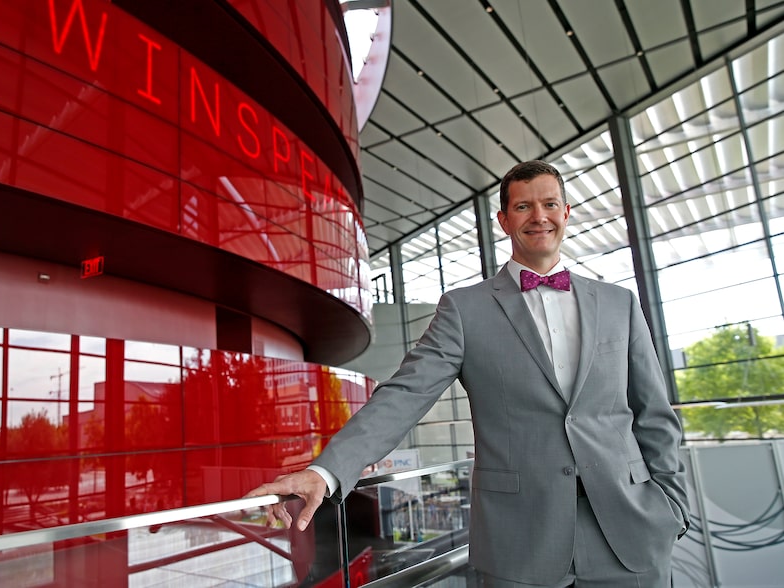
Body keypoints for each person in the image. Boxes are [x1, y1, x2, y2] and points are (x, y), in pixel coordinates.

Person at [246, 160, 690, 587]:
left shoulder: (619, 303)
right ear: (502, 220)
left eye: (550, 204)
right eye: (523, 206)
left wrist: (673, 508)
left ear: (567, 212)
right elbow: (404, 395)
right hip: (522, 542)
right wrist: (325, 473)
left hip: (630, 532)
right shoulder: (465, 309)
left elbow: (653, 413)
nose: (539, 216)